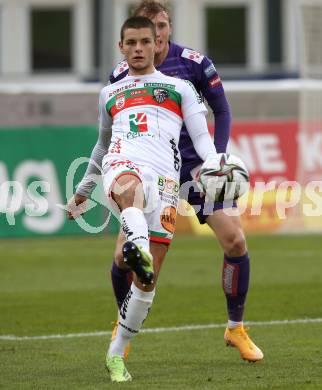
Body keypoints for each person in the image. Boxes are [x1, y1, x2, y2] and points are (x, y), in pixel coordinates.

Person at [68, 16, 221, 382]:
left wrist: (215, 163)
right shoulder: (110, 93)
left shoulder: (181, 88)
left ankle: (116, 353)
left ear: (157, 45)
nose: (138, 49)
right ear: (121, 47)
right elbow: (102, 146)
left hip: (166, 184)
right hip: (122, 164)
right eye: (131, 43)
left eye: (144, 42)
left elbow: (201, 139)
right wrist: (84, 190)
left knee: (146, 280)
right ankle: (137, 247)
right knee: (129, 193)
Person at [108, 0, 263, 363]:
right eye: (148, 28)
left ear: (168, 27)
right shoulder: (120, 75)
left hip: (194, 165)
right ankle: (123, 323)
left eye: (161, 25)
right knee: (125, 256)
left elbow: (221, 108)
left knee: (235, 240)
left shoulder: (192, 63)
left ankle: (235, 328)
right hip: (149, 167)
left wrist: (216, 159)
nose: (155, 35)